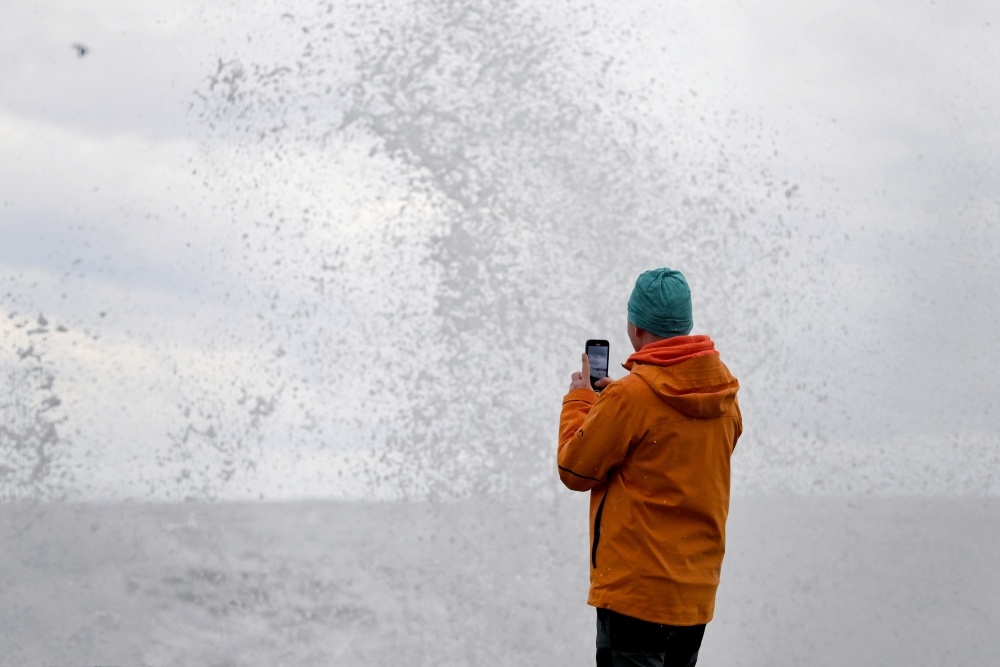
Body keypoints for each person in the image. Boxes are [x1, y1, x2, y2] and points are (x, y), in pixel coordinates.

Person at [557, 267, 742, 667]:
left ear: (636, 327)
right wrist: (615, 405)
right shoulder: (724, 395)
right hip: (694, 594)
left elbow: (575, 470)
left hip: (636, 595)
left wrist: (581, 402)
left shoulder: (631, 397)